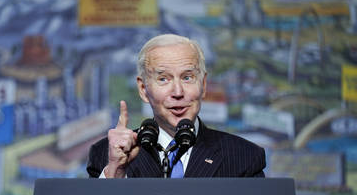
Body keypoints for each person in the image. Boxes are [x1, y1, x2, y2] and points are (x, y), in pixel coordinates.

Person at [87, 34, 265, 178]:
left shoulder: (243, 157)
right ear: (143, 89)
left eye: (187, 77)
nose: (178, 92)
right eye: (163, 79)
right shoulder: (105, 155)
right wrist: (116, 172)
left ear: (203, 85)